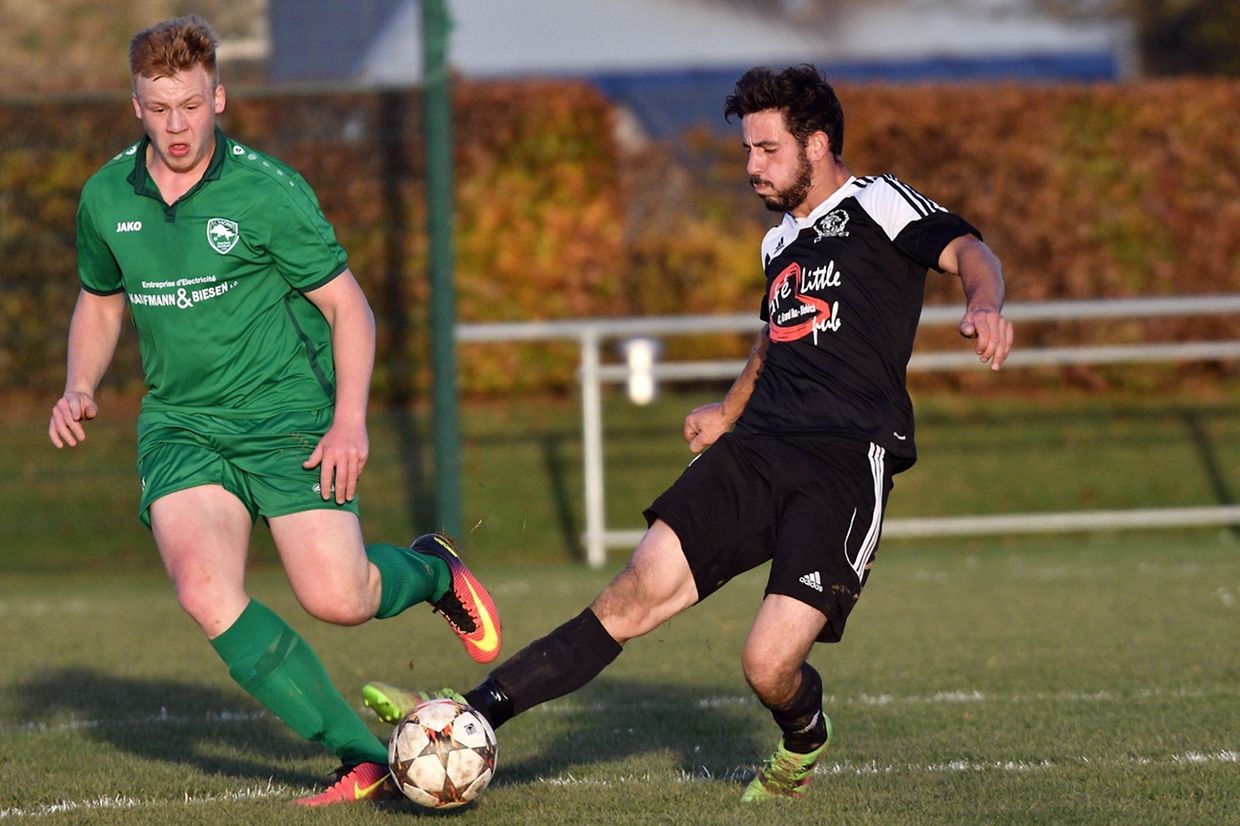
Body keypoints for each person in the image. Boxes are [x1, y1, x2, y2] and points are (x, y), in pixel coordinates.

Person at [363, 63, 1014, 803]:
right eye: (747, 150)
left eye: (766, 149)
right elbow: (774, 339)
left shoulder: (879, 202)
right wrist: (727, 412)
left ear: (819, 143)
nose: (751, 166)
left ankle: (804, 735)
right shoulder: (779, 246)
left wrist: (985, 306)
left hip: (842, 461)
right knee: (630, 596)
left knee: (767, 665)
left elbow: (970, 250)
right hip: (755, 448)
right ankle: (470, 715)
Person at [46, 16, 502, 807]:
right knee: (204, 591)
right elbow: (98, 302)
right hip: (182, 425)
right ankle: (362, 756)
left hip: (285, 412)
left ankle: (433, 569)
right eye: (159, 109)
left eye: (190, 104)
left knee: (338, 598)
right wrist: (79, 384)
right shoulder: (105, 196)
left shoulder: (268, 190)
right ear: (135, 106)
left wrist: (348, 421)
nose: (177, 125)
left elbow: (349, 310)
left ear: (218, 95)